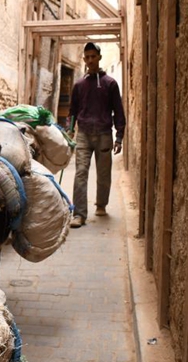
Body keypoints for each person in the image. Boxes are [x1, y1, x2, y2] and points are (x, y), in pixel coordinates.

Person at [67, 42, 126, 228]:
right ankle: (79, 214)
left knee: (103, 173)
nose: (90, 60)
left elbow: (118, 111)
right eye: (87, 57)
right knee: (81, 173)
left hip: (104, 135)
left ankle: (101, 205)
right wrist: (69, 130)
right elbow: (72, 111)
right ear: (84, 59)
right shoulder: (79, 85)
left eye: (94, 56)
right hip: (83, 134)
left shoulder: (110, 84)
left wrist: (119, 137)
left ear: (99, 58)